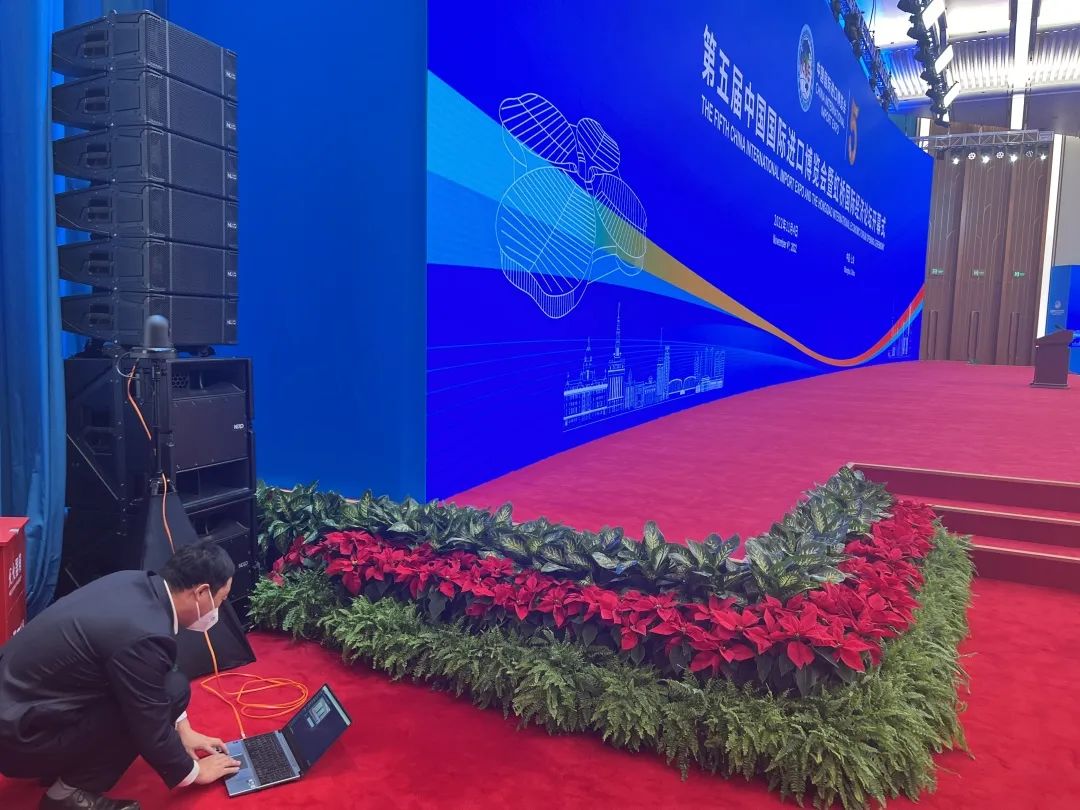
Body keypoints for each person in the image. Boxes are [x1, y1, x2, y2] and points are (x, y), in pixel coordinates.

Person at [0, 541, 243, 810]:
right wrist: (194, 771)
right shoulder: (144, 633)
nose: (218, 608)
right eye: (221, 599)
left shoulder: (132, 583)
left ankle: (62, 762)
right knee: (154, 704)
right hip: (20, 739)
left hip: (19, 709)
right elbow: (149, 722)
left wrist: (183, 732)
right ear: (202, 592)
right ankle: (67, 795)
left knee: (172, 686)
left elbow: (153, 676)